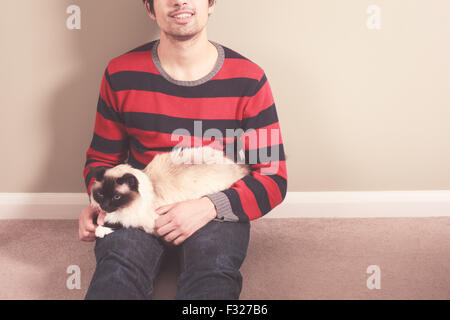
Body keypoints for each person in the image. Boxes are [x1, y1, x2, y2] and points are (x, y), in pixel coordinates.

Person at [80, 0, 287, 300]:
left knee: (213, 273)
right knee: (117, 268)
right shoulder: (120, 73)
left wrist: (210, 206)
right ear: (150, 8)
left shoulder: (249, 79)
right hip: (139, 205)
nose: (180, 1)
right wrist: (99, 202)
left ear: (210, 3)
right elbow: (102, 159)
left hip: (212, 205)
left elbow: (273, 178)